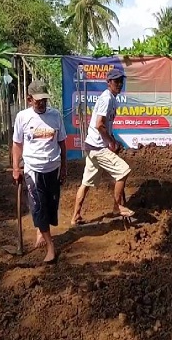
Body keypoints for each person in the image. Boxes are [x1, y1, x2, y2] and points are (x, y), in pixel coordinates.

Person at [11, 80, 67, 264]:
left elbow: (62, 143)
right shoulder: (22, 117)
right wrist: (16, 167)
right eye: (38, 100)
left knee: (51, 206)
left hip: (53, 168)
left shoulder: (55, 116)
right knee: (38, 206)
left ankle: (40, 229)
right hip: (33, 169)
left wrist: (64, 166)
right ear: (29, 99)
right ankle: (51, 246)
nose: (42, 103)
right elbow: (17, 144)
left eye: (44, 100)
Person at [71, 68, 134, 225]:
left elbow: (105, 126)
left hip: (93, 146)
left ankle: (75, 216)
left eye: (121, 81)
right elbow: (99, 125)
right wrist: (111, 142)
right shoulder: (107, 99)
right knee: (123, 171)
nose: (119, 84)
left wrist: (112, 139)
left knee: (86, 183)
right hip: (98, 148)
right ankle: (117, 206)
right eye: (116, 81)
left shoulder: (111, 98)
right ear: (108, 83)